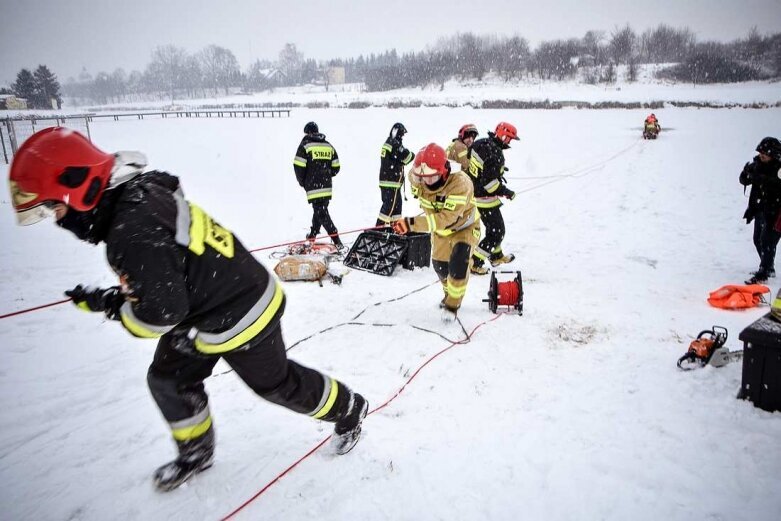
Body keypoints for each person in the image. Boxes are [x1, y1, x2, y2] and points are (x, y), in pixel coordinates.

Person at [9, 127, 368, 492]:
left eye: (55, 208)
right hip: (200, 309)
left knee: (276, 385)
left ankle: (349, 408)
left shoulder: (130, 232)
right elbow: (168, 217)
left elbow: (158, 316)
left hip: (243, 309)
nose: (57, 220)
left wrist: (114, 305)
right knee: (168, 378)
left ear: (80, 189)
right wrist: (124, 294)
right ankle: (195, 452)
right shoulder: (140, 190)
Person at [392, 143, 481, 320]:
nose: (427, 181)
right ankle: (449, 292)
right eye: (422, 177)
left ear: (443, 171)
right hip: (440, 232)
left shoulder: (460, 184)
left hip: (464, 228)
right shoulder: (418, 177)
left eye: (432, 177)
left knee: (458, 262)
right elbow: (412, 181)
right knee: (441, 267)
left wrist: (410, 224)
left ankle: (452, 305)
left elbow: (446, 219)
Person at [467, 122, 519, 275]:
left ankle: (496, 257)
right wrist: (507, 192)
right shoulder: (495, 154)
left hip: (474, 191)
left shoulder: (480, 143)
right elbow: (490, 185)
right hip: (485, 198)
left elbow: (475, 161)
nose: (509, 142)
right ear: (503, 136)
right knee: (497, 233)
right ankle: (475, 263)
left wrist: (495, 171)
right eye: (509, 138)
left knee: (493, 228)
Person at [294, 121, 345, 249]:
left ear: (308, 132)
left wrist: (303, 181)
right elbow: (336, 167)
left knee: (321, 213)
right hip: (326, 187)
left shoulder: (305, 145)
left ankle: (337, 240)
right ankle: (312, 235)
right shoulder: (328, 146)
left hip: (313, 187)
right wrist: (326, 175)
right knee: (320, 211)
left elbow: (298, 166)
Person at [740, 136, 781, 283]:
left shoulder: (779, 168)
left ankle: (764, 272)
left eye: (765, 153)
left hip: (776, 212)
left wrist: (760, 178)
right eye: (760, 152)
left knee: (767, 240)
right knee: (758, 239)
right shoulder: (756, 164)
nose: (761, 155)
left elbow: (777, 185)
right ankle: (768, 267)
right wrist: (745, 174)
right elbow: (744, 180)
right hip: (760, 208)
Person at [376, 122, 415, 227]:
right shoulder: (395, 144)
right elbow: (408, 156)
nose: (402, 137)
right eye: (402, 134)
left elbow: (395, 159)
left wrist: (399, 161)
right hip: (391, 183)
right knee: (389, 208)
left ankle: (395, 229)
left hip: (390, 183)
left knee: (396, 208)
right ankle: (377, 230)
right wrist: (406, 159)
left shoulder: (389, 143)